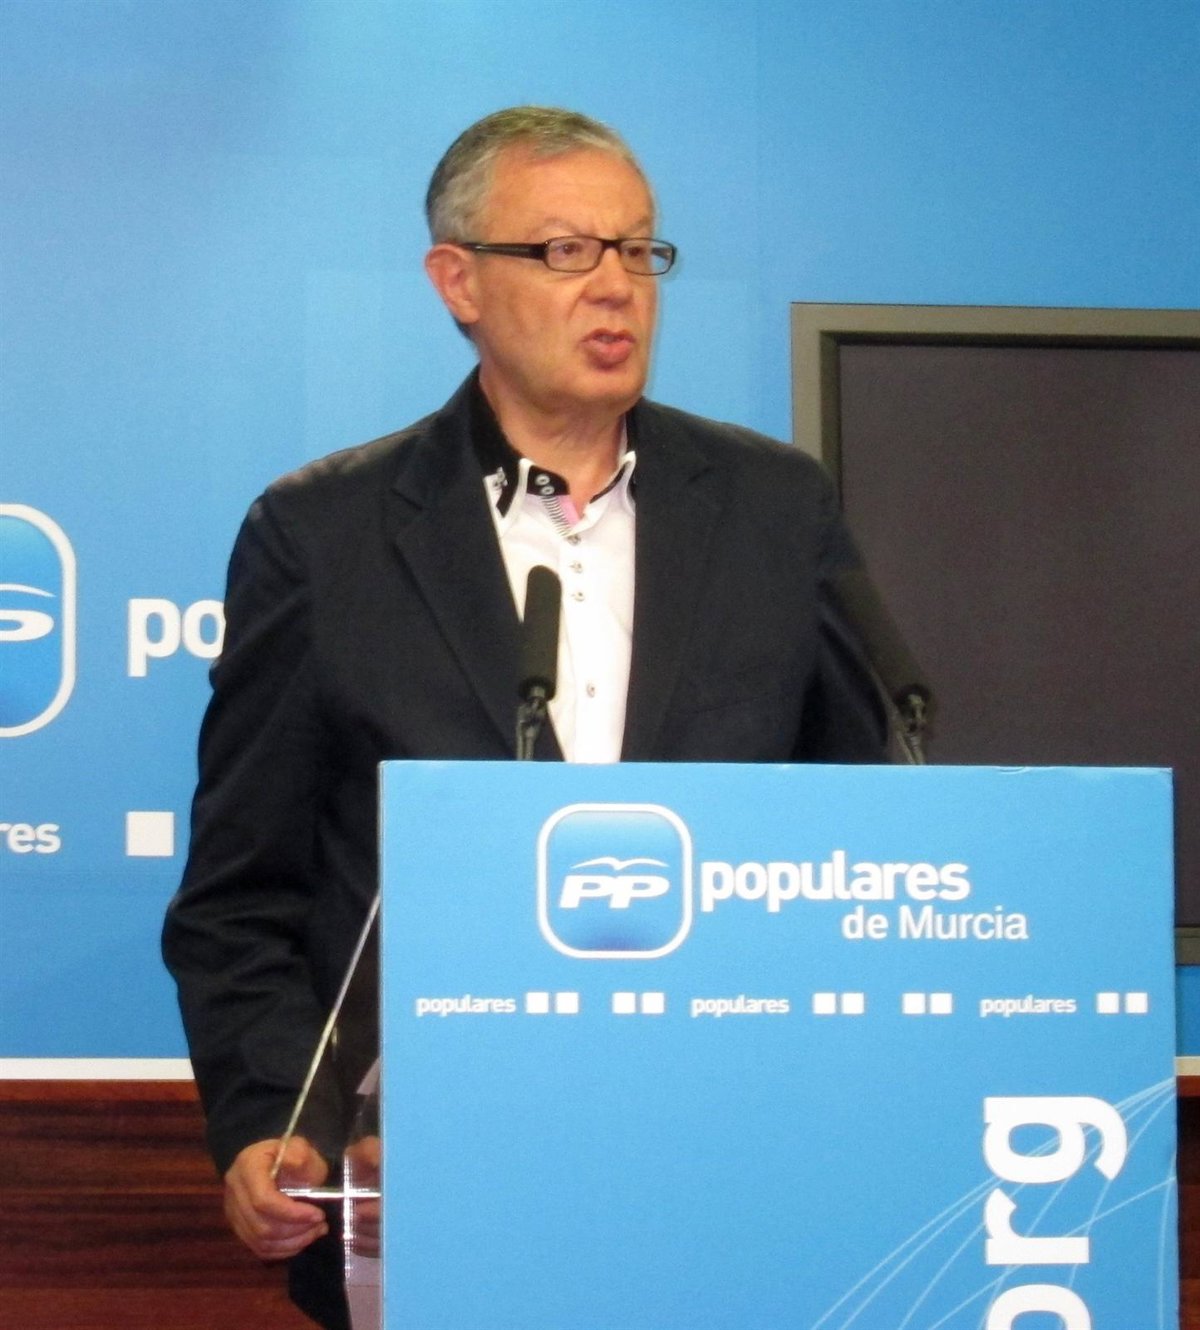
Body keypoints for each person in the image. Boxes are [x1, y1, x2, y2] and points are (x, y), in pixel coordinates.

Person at [162, 105, 887, 1330]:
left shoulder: (778, 510)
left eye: (638, 249)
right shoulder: (324, 537)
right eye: (563, 251)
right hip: (426, 1181)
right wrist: (277, 1120)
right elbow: (243, 895)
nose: (615, 286)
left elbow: (861, 832)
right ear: (459, 282)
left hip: (730, 1169)